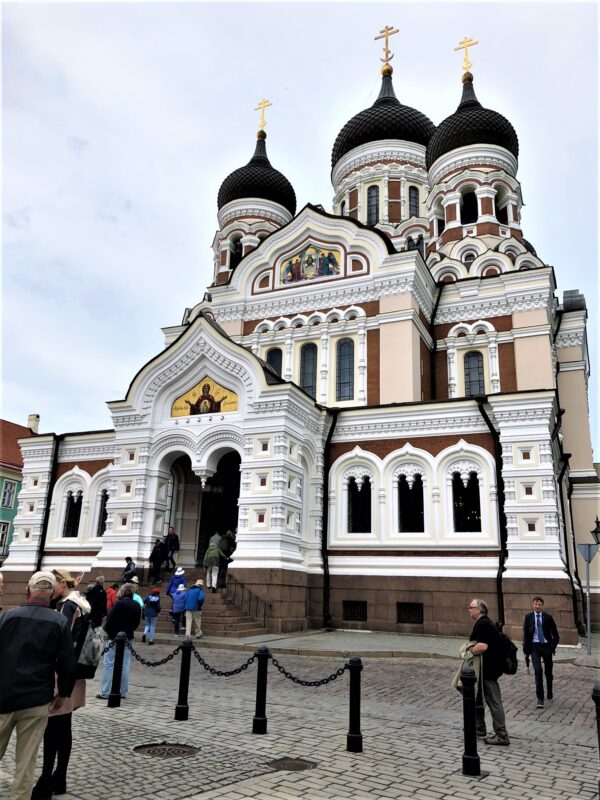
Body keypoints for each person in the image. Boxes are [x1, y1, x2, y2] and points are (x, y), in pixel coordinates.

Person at [0, 571, 74, 800]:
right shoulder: (59, 621)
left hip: (4, 696)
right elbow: (67, 664)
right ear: (52, 593)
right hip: (36, 699)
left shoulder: (7, 616)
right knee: (26, 761)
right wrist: (62, 695)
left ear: (28, 589)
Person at [31, 568, 92, 799]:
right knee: (64, 729)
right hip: (74, 674)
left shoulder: (67, 606)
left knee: (53, 730)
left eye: (52, 585)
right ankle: (60, 777)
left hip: (61, 674)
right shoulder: (81, 603)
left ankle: (46, 779)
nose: (50, 590)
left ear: (61, 584)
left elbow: (59, 638)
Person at [468, 598, 510, 746]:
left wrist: (469, 650)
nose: (469, 610)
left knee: (493, 701)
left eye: (471, 607)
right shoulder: (485, 622)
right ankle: (479, 729)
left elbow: (483, 646)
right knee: (478, 699)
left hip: (488, 670)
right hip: (488, 669)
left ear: (478, 610)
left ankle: (501, 735)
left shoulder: (483, 623)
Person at [97, 583, 141, 700]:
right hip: (128, 637)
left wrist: (106, 633)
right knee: (125, 664)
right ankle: (122, 691)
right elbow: (137, 622)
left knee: (109, 664)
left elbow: (109, 620)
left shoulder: (119, 604)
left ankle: (105, 691)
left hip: (114, 637)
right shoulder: (136, 605)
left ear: (122, 592)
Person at [522, 596, 560, 709]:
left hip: (546, 646)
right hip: (534, 647)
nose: (537, 606)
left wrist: (552, 646)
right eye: (535, 604)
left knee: (548, 672)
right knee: (538, 671)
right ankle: (540, 698)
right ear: (532, 605)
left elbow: (556, 635)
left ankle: (550, 690)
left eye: (539, 604)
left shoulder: (548, 617)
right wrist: (526, 650)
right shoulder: (528, 617)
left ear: (542, 606)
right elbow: (525, 634)